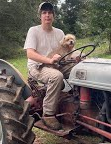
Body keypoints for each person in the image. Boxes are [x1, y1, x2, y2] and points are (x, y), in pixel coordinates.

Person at [24, 2, 74, 130]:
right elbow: (30, 53)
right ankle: (48, 114)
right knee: (57, 77)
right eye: (44, 13)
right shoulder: (34, 31)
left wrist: (76, 56)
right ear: (40, 16)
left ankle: (79, 102)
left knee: (80, 70)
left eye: (50, 12)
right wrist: (49, 60)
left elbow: (68, 49)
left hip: (57, 64)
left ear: (54, 16)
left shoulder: (59, 32)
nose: (47, 15)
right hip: (38, 67)